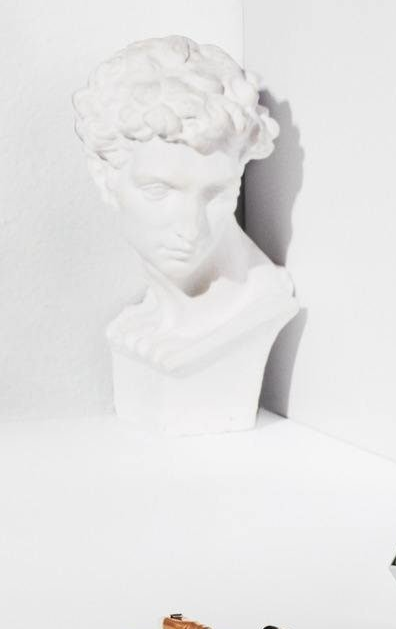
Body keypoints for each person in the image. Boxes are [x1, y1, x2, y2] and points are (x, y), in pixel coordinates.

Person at [74, 36, 298, 429]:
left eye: (217, 194)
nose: (190, 229)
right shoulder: (146, 321)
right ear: (105, 176)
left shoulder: (255, 307)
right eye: (159, 191)